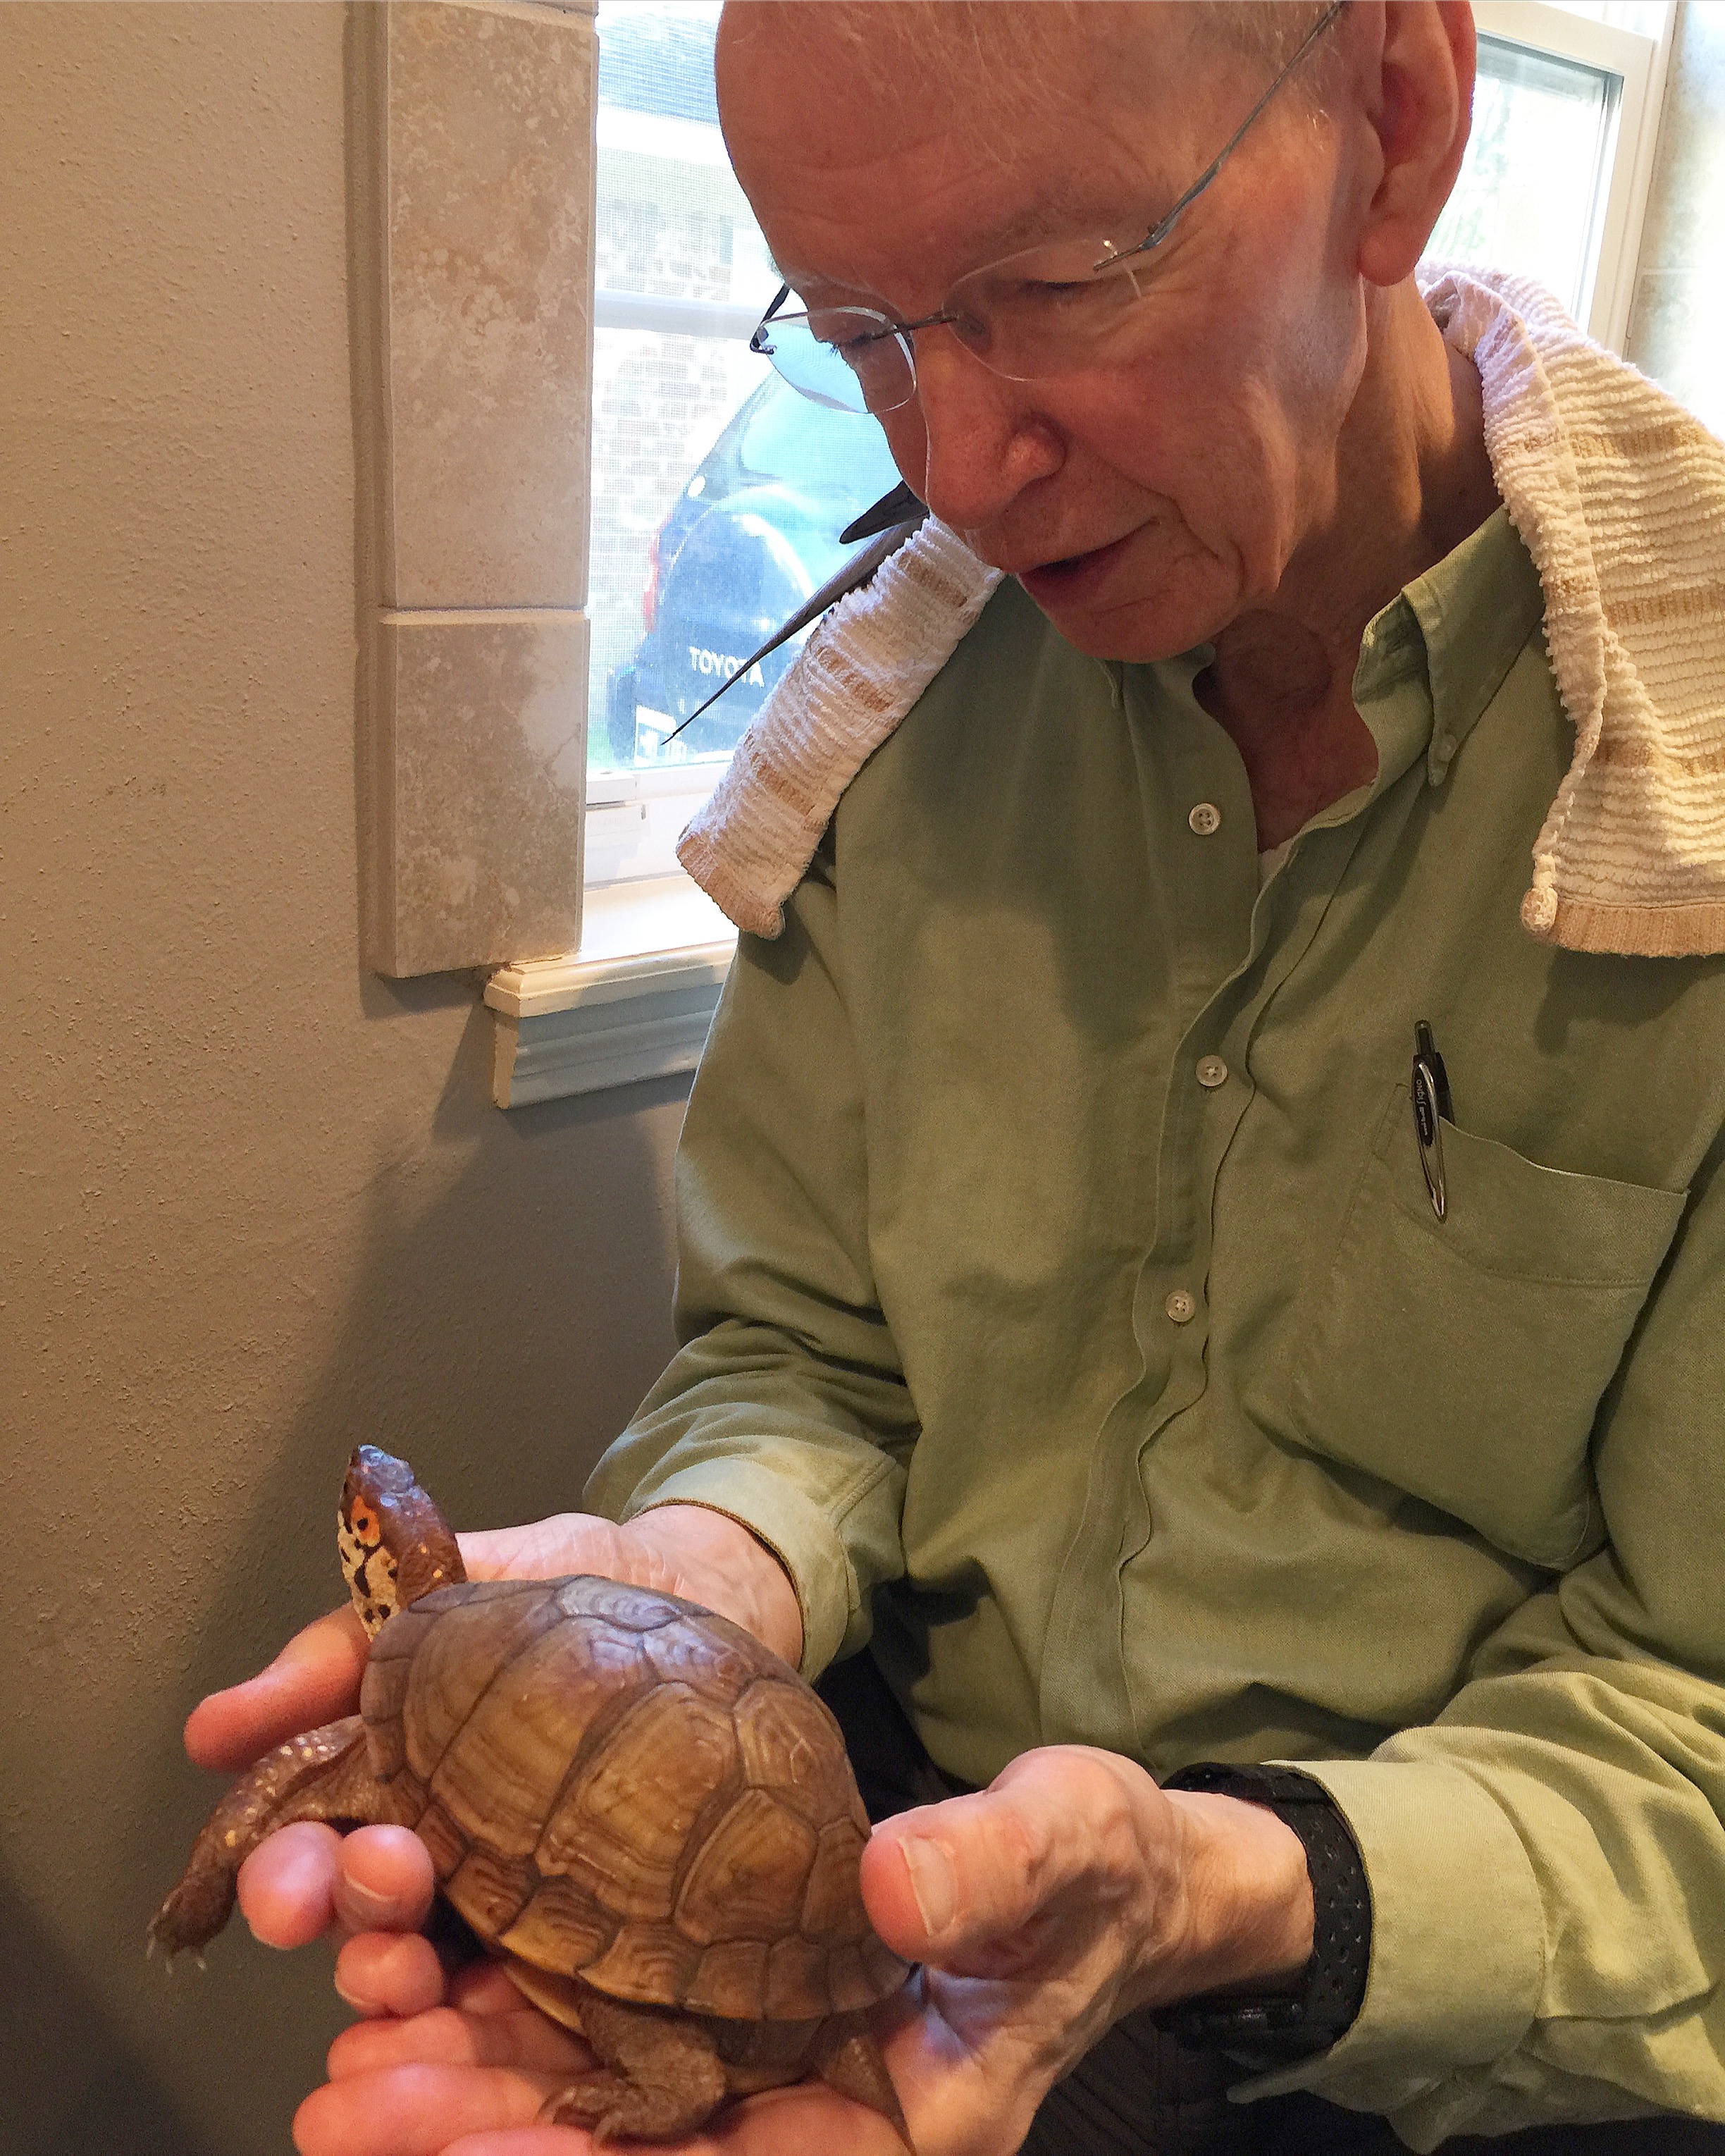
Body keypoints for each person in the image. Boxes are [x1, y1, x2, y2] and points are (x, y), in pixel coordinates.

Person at [185, 4, 1725, 2151]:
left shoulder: (1692, 787)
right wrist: (691, 1589)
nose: (953, 469)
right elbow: (815, 1352)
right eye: (862, 335)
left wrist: (1225, 1887)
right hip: (885, 1862)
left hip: (1465, 2031)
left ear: (1397, 122)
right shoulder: (889, 728)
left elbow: (1698, 1728)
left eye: (1058, 287)